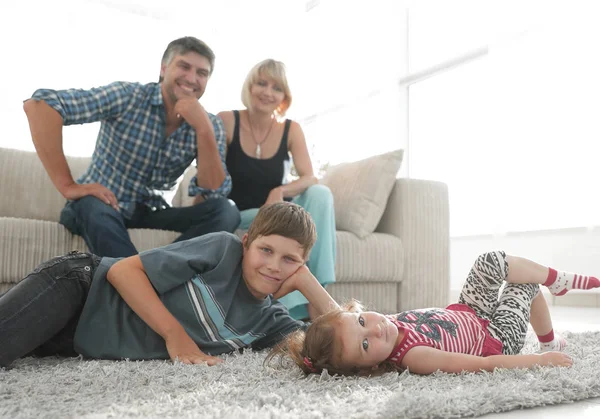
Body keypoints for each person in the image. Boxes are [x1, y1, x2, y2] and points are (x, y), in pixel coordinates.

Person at [0, 202, 339, 369]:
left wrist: (309, 284)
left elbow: (338, 339)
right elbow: (122, 273)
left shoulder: (271, 322)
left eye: (290, 260)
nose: (273, 266)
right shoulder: (223, 249)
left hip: (71, 341)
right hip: (79, 287)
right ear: (246, 242)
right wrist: (175, 335)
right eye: (265, 250)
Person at [22, 36, 240, 258]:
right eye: (184, 66)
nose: (192, 78)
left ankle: (156, 269)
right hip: (102, 205)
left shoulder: (210, 125)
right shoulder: (128, 97)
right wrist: (68, 186)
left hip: (154, 213)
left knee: (227, 210)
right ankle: (139, 281)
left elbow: (213, 191)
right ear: (164, 69)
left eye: (202, 73)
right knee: (91, 204)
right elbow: (41, 105)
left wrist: (203, 130)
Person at [268, 251, 600, 376]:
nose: (375, 331)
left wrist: (304, 280)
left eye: (362, 321)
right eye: (365, 345)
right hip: (494, 340)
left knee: (490, 261)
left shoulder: (378, 323)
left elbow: (337, 320)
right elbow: (484, 365)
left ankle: (557, 280)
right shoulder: (414, 356)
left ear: (356, 312)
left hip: (469, 310)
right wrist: (538, 363)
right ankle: (548, 345)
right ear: (367, 368)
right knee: (526, 287)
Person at [217, 59, 336, 321]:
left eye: (276, 88)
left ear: (284, 97)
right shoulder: (227, 120)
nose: (268, 92)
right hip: (245, 213)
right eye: (261, 83)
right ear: (250, 86)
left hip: (280, 212)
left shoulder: (290, 129)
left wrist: (279, 190)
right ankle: (291, 311)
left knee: (320, 194)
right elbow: (212, 179)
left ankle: (318, 296)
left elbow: (309, 177)